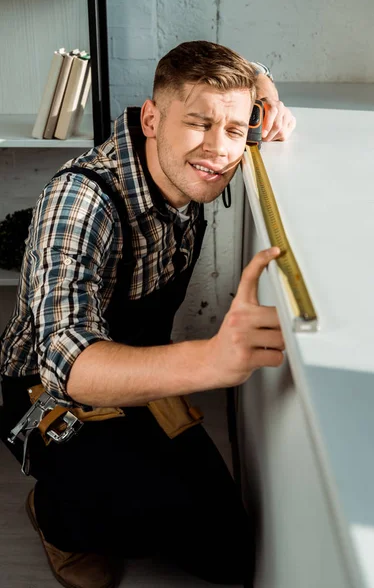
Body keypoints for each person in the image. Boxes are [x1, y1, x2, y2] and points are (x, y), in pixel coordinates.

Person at [0, 40, 295, 588]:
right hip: (51, 398)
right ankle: (55, 517)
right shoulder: (82, 201)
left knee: (226, 555)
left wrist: (263, 88)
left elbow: (244, 75)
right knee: (120, 520)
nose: (218, 149)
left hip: (138, 374)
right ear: (153, 118)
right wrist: (210, 363)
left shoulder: (182, 167)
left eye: (234, 129)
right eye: (198, 124)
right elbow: (69, 366)